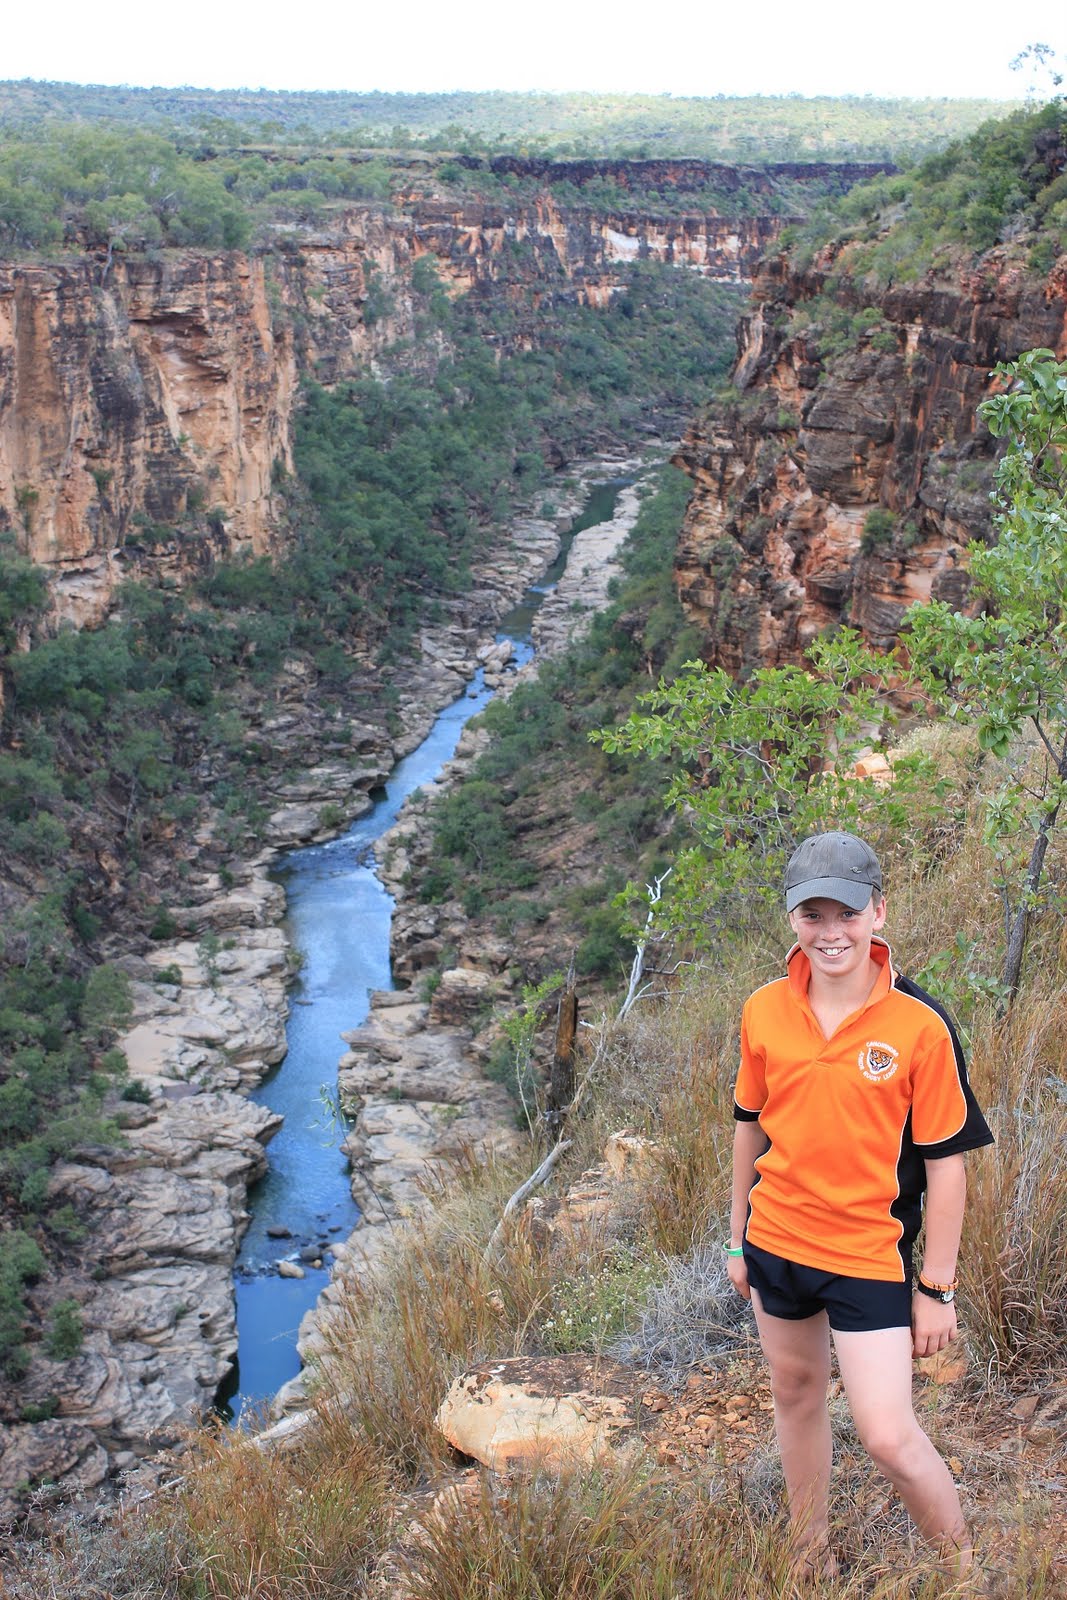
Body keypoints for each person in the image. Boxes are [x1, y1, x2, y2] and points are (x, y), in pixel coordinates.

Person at [727, 830, 994, 1581]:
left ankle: (964, 1574)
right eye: (812, 915)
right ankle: (808, 1552)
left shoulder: (919, 1024)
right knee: (795, 1393)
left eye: (846, 913)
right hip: (776, 1242)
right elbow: (749, 1127)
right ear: (791, 918)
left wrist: (936, 1287)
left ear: (878, 911)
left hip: (866, 1257)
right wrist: (737, 1239)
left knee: (886, 1436)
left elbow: (946, 1166)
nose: (830, 932)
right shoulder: (763, 1010)